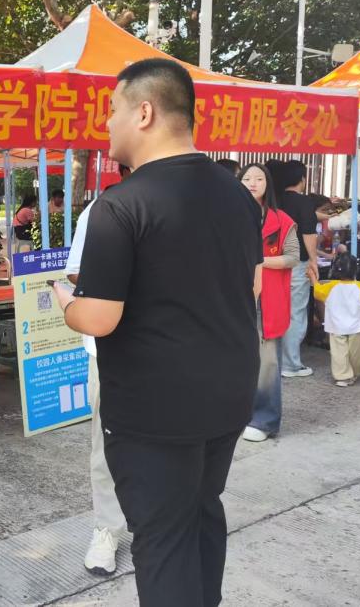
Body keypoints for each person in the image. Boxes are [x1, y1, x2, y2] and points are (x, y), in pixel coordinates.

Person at [53, 59, 261, 607]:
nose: (107, 124)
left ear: (143, 112)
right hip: (228, 393)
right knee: (202, 511)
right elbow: (252, 286)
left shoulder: (120, 206)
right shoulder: (237, 194)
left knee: (163, 538)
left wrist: (66, 304)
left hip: (155, 410)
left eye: (113, 110)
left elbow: (99, 317)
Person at [63, 164, 130, 576]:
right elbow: (75, 270)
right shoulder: (102, 209)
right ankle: (107, 529)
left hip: (174, 350)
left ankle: (157, 522)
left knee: (169, 443)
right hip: (109, 348)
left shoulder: (190, 204)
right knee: (107, 443)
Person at [239, 164, 298, 443]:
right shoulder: (228, 216)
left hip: (268, 298)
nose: (252, 182)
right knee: (237, 357)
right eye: (247, 178)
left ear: (268, 184)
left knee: (268, 362)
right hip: (235, 296)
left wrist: (260, 261)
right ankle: (238, 415)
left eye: (259, 178)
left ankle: (264, 420)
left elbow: (292, 257)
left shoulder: (282, 220)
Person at [275, 160, 320, 378]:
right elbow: (308, 233)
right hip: (296, 263)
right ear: (302, 179)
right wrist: (313, 260)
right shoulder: (304, 202)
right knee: (295, 312)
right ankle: (291, 364)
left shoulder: (272, 199)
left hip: (272, 263)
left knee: (272, 310)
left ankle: (272, 361)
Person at [313, 253, 360, 387]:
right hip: (356, 327)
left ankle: (342, 376)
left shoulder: (330, 286)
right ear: (355, 270)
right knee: (357, 354)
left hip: (336, 327)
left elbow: (317, 292)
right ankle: (354, 373)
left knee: (339, 353)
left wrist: (313, 278)